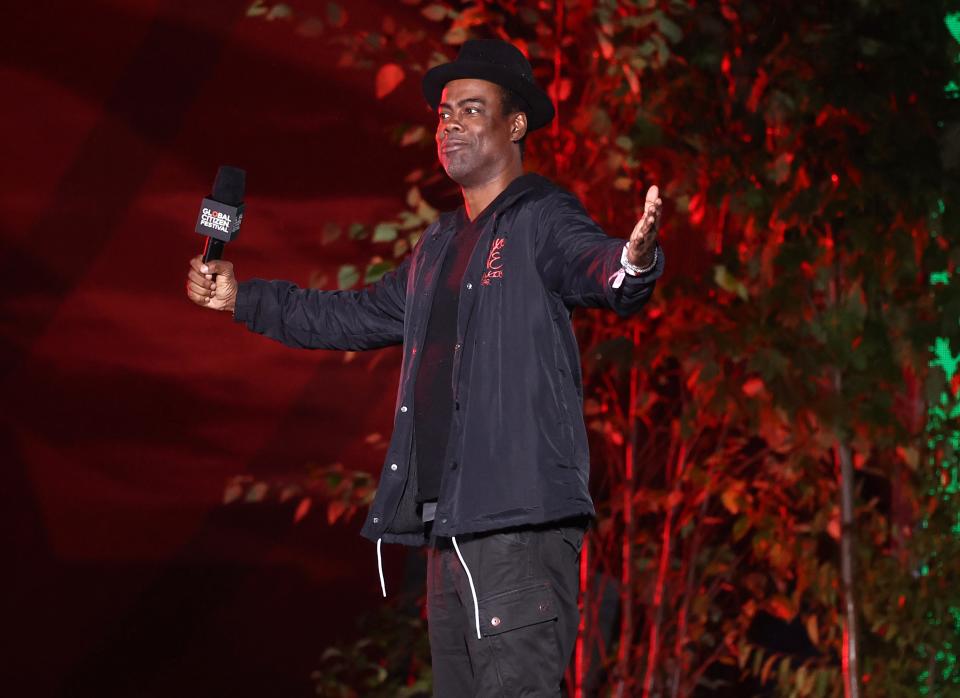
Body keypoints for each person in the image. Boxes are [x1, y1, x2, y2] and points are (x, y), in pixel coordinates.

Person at [186, 38, 664, 698]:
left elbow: (597, 265)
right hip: (451, 530)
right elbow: (352, 316)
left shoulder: (540, 217)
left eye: (472, 109)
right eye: (444, 112)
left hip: (516, 528)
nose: (452, 124)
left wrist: (632, 262)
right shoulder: (439, 246)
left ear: (515, 124)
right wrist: (244, 297)